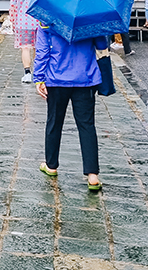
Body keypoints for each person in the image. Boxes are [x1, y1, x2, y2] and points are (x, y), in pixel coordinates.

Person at [33, 28, 106, 191]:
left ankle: (51, 165)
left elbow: (42, 52)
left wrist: (38, 78)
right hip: (86, 78)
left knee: (54, 122)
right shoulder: (90, 19)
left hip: (56, 79)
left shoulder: (47, 20)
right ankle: (92, 175)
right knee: (87, 126)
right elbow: (101, 44)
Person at [9, 0, 44, 83]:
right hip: (39, 22)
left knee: (25, 48)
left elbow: (13, 7)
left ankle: (27, 73)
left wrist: (13, 22)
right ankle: (39, 72)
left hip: (23, 23)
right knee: (38, 48)